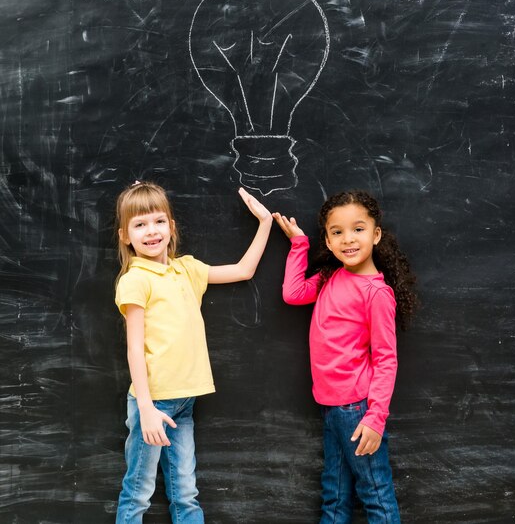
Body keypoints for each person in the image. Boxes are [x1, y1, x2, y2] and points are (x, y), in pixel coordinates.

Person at [114, 180, 272, 524]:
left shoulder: (186, 269)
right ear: (126, 235)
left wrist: (265, 224)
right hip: (152, 403)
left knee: (186, 492)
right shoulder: (135, 279)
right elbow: (133, 350)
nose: (151, 231)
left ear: (171, 227)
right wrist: (145, 409)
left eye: (158, 222)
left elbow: (243, 271)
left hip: (185, 400)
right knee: (138, 492)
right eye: (139, 225)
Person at [272, 190, 417, 524]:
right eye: (337, 232)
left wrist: (376, 417)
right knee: (335, 495)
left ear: (376, 234)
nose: (348, 239)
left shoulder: (377, 293)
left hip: (357, 411)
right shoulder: (331, 276)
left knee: (375, 494)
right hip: (332, 407)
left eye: (358, 229)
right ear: (327, 238)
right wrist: (299, 244)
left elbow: (386, 359)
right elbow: (293, 294)